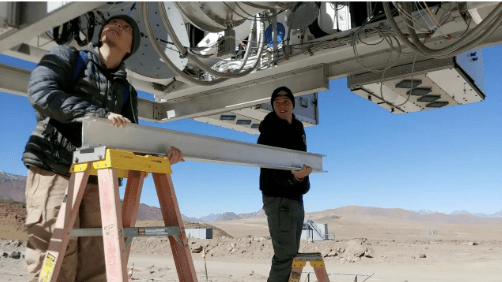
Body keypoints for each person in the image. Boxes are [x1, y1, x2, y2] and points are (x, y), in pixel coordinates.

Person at [22, 15, 183, 282]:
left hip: (98, 181)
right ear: (101, 33)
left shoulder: (126, 91)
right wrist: (96, 114)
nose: (117, 26)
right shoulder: (67, 57)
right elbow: (41, 93)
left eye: (126, 27)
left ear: (131, 48)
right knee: (55, 260)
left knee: (99, 265)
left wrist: (158, 155)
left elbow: (129, 139)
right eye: (113, 23)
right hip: (55, 169)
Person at [257, 86, 313, 282]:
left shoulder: (297, 128)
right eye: (277, 103)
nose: (281, 105)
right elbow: (269, 171)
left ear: (292, 104)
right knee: (285, 257)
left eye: (285, 101)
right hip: (279, 199)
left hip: (295, 197)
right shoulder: (268, 133)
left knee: (291, 255)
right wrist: (294, 178)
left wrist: (300, 179)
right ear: (273, 106)